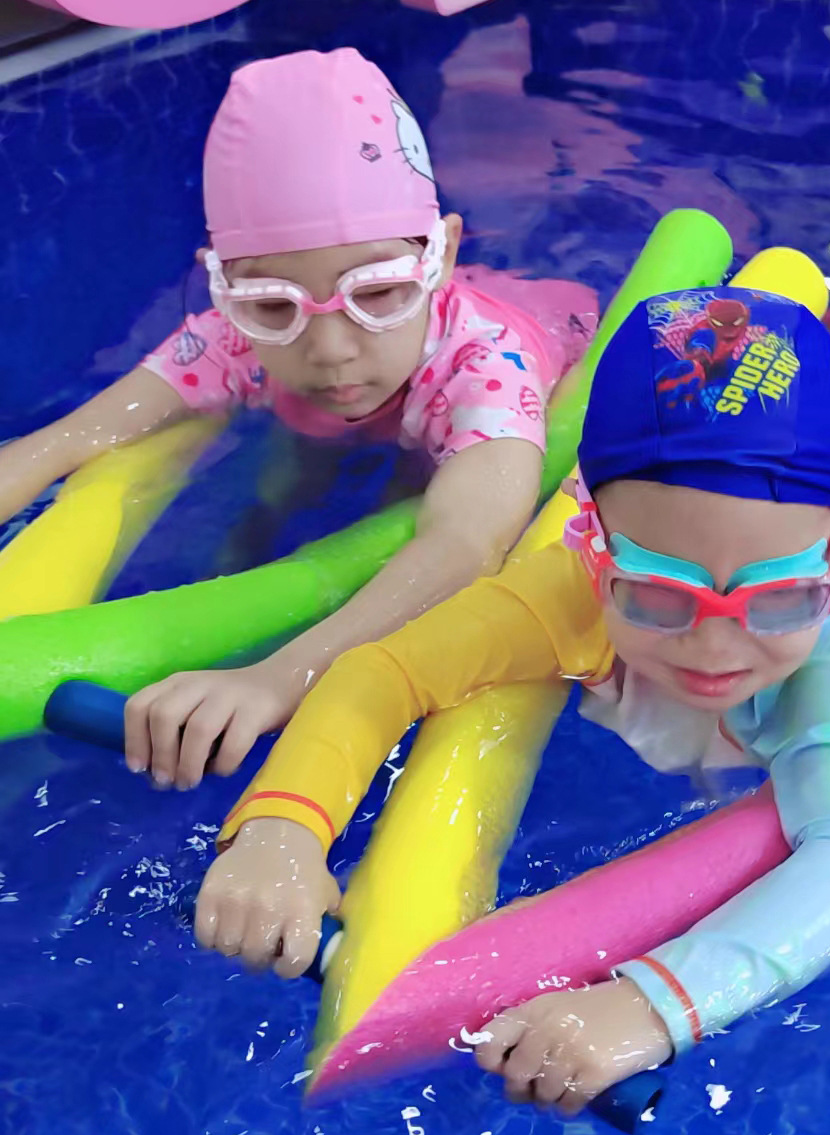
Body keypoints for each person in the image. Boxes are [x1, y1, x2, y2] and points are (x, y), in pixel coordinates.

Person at [191, 283, 830, 1112]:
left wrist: (650, 1006)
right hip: (799, 506)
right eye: (659, 597)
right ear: (592, 551)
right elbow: (383, 672)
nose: (716, 648)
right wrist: (281, 832)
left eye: (779, 602)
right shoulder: (567, 589)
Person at [0, 48, 592, 791]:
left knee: (400, 500)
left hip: (520, 353)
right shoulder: (233, 335)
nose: (330, 349)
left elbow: (467, 544)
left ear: (440, 255)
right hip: (359, 414)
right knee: (284, 487)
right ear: (224, 285)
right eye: (273, 304)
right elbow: (68, 439)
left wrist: (279, 678)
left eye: (377, 291)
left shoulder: (486, 366)